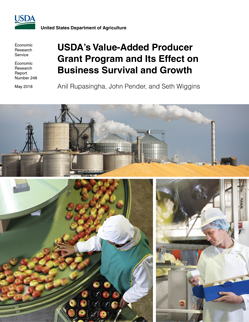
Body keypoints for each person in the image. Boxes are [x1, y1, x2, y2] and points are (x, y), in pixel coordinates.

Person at [57, 215, 153, 308]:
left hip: (121, 289)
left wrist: (128, 297)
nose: (105, 239)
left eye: (108, 239)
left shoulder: (142, 260)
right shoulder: (123, 232)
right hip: (105, 276)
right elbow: (97, 242)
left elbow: (144, 286)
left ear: (118, 242)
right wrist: (76, 248)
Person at [188, 208, 249, 322]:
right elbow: (201, 281)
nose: (208, 238)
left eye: (210, 232)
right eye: (205, 234)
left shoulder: (245, 253)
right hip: (213, 315)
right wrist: (196, 283)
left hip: (239, 314)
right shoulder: (206, 254)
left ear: (222, 227)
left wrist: (240, 299)